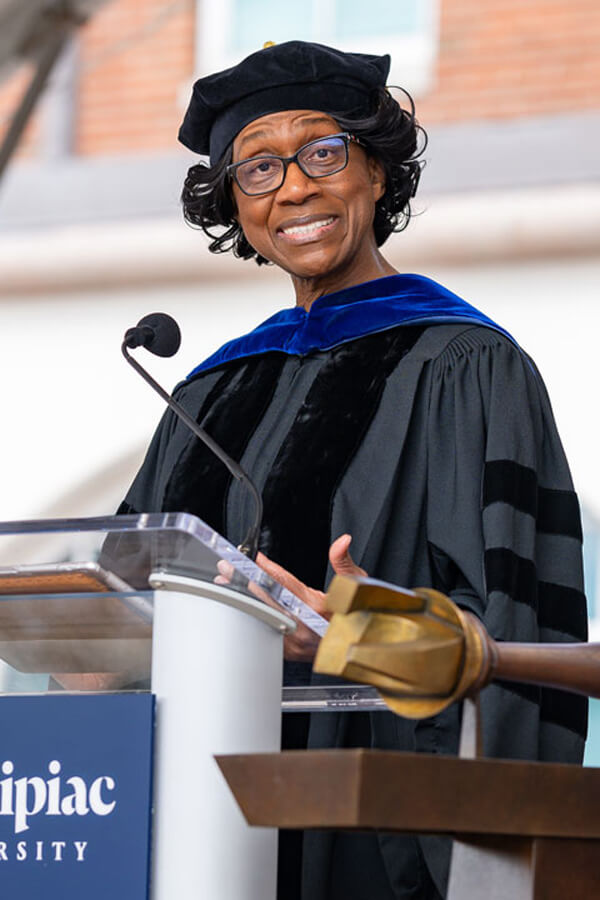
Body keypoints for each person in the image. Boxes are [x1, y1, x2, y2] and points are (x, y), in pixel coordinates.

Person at [118, 40, 587, 900]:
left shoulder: (468, 367)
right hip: (187, 834)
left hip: (372, 842)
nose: (293, 187)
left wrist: (367, 630)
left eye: (323, 152)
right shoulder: (207, 389)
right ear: (235, 204)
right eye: (256, 167)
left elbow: (521, 629)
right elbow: (115, 604)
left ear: (376, 173)